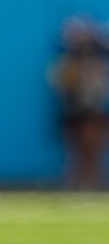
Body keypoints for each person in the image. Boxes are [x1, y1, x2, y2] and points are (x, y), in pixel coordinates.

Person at [47, 15, 109, 190]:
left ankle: (95, 184)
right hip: (73, 110)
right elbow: (58, 83)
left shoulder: (99, 59)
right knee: (74, 152)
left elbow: (100, 87)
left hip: (93, 111)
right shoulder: (66, 60)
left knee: (93, 150)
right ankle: (74, 185)